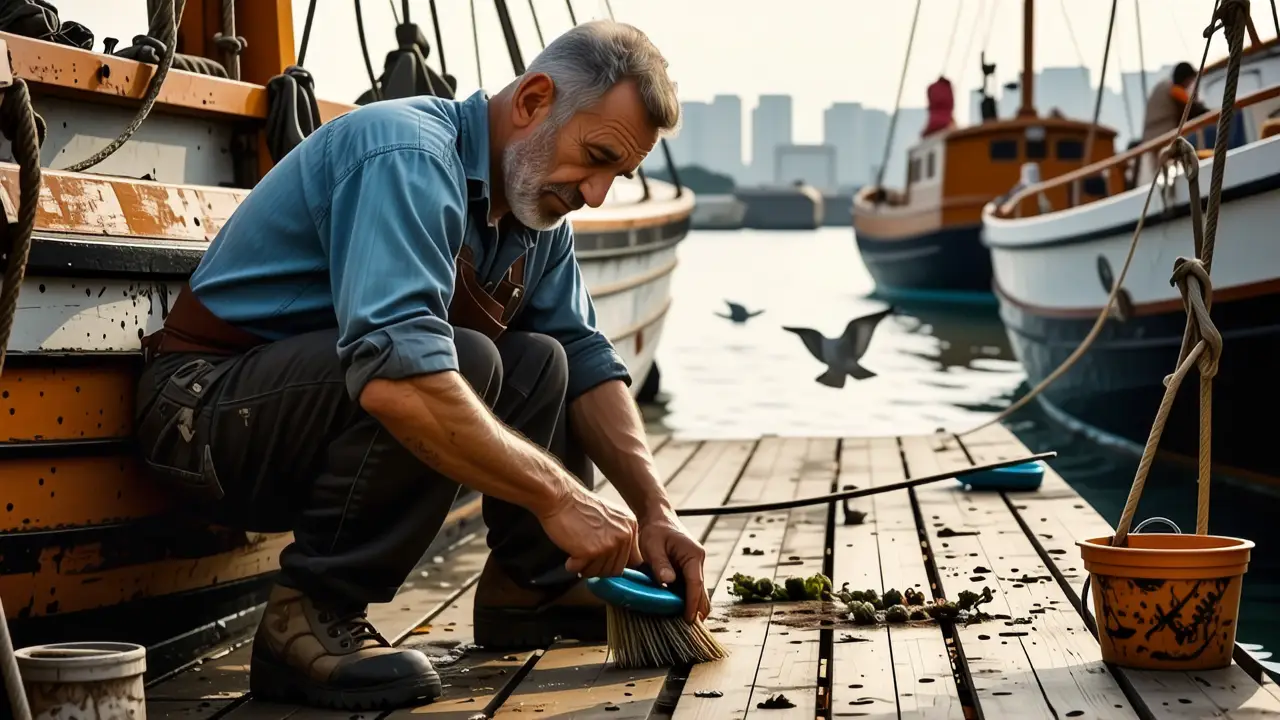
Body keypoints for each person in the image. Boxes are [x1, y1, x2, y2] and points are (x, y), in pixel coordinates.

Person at [134, 20, 708, 712]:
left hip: (298, 411)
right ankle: (307, 617)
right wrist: (561, 500)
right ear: (532, 100)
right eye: (595, 158)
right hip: (203, 416)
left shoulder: (534, 209)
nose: (595, 196)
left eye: (618, 175)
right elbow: (398, 376)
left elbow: (587, 359)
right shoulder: (406, 153)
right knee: (451, 360)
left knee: (541, 360)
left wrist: (654, 508)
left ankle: (532, 587)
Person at [1138, 62, 1210, 181]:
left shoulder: (1162, 86)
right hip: (1163, 137)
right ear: (1186, 79)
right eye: (1190, 81)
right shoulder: (1174, 89)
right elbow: (1192, 108)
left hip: (1150, 140)